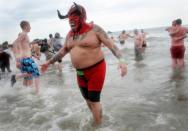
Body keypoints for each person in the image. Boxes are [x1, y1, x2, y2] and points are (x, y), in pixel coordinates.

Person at [41, 3, 127, 125]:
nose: (71, 24)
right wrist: (49, 62)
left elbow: (111, 45)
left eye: (74, 20)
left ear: (82, 18)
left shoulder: (95, 29)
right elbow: (63, 51)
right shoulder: (70, 35)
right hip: (80, 73)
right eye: (70, 21)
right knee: (87, 100)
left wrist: (122, 61)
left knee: (94, 100)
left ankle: (97, 126)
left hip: (96, 69)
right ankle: (98, 118)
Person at [11, 20, 40, 94]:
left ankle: (27, 90)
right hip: (25, 58)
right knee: (36, 72)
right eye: (29, 26)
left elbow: (23, 45)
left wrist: (31, 43)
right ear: (26, 26)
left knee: (29, 74)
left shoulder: (25, 35)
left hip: (26, 58)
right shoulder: (23, 34)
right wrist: (17, 57)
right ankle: (38, 93)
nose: (30, 27)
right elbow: (15, 43)